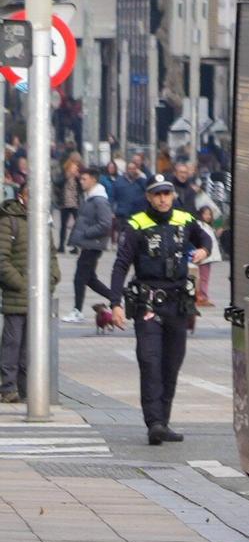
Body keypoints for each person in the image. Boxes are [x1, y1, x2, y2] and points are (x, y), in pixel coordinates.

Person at [108, 178, 214, 444]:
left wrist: (203, 250)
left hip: (177, 304)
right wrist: (115, 303)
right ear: (148, 197)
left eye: (167, 194)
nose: (163, 199)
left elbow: (205, 238)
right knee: (149, 361)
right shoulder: (136, 224)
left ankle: (163, 421)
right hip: (148, 305)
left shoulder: (184, 219)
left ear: (173, 195)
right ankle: (153, 422)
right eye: (157, 195)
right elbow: (121, 265)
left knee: (171, 364)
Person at [0, 177, 61, 404]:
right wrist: (22, 284)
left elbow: (51, 254)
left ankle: (27, 389)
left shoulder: (44, 223)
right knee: (13, 344)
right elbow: (2, 259)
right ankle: (7, 387)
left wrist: (53, 277)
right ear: (22, 196)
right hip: (17, 295)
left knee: (32, 345)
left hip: (39, 295)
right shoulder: (9, 221)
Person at [63, 168, 117, 322]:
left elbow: (105, 224)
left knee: (79, 278)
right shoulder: (90, 198)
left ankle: (77, 310)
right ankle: (116, 298)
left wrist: (86, 233)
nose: (81, 182)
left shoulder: (99, 200)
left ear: (94, 179)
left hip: (93, 245)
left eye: (84, 179)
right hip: (89, 245)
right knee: (90, 279)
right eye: (81, 179)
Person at [58, 155, 82, 250]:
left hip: (75, 203)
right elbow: (57, 183)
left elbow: (81, 189)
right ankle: (61, 245)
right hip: (65, 202)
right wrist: (66, 177)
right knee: (63, 225)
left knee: (77, 225)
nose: (74, 169)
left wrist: (78, 178)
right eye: (73, 167)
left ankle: (75, 246)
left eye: (76, 167)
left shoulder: (77, 178)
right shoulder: (64, 174)